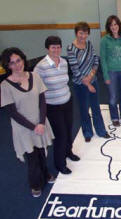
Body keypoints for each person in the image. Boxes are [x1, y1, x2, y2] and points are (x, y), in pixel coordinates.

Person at [1, 47, 55, 197]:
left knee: (42, 152)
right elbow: (12, 113)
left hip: (40, 122)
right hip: (24, 128)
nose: (17, 65)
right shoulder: (5, 86)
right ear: (7, 66)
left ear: (23, 59)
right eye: (12, 63)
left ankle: (46, 174)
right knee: (32, 157)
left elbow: (42, 100)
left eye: (18, 60)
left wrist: (42, 122)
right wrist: (33, 127)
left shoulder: (34, 76)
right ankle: (35, 184)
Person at [34, 36, 79, 175]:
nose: (56, 50)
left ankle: (68, 152)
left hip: (67, 101)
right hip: (52, 106)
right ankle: (60, 164)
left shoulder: (64, 62)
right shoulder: (41, 67)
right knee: (61, 135)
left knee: (69, 129)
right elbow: (36, 88)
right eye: (53, 47)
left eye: (58, 47)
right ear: (48, 48)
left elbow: (65, 81)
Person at [67, 22, 110, 142]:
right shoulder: (71, 48)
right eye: (81, 33)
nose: (83, 36)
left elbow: (96, 59)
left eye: (85, 33)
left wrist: (91, 75)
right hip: (80, 85)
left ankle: (101, 131)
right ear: (76, 33)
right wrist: (88, 84)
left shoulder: (89, 44)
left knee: (96, 107)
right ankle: (87, 133)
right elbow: (75, 70)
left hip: (93, 80)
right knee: (84, 109)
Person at [100, 16, 121, 127]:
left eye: (115, 24)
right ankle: (114, 117)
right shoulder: (104, 40)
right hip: (111, 72)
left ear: (119, 25)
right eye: (111, 25)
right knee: (113, 96)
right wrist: (105, 75)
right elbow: (103, 59)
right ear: (108, 27)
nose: (114, 27)